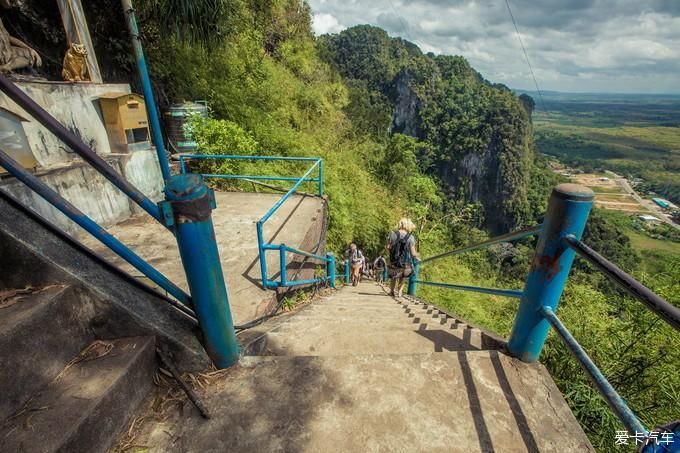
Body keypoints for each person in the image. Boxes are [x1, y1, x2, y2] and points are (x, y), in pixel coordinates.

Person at [386, 218, 418, 297]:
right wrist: (418, 256)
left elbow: (387, 247)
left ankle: (392, 291)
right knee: (403, 275)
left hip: (393, 260)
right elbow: (413, 253)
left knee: (394, 275)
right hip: (405, 262)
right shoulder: (411, 237)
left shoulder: (392, 234)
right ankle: (400, 292)